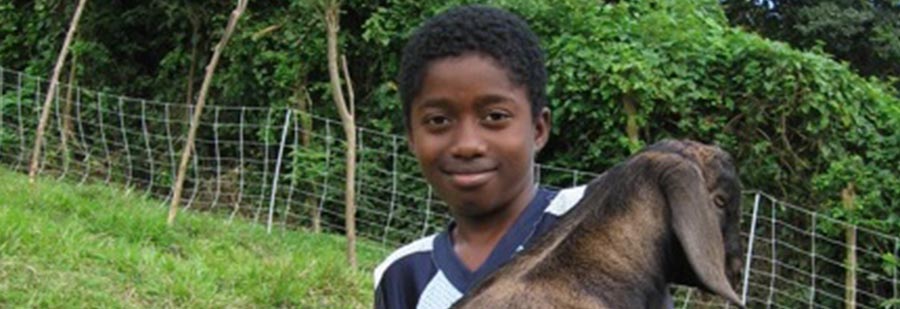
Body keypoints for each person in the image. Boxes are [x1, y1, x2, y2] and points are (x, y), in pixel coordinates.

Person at [373, 5, 673, 308]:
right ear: (412, 136)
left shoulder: (597, 226)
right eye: (438, 120)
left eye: (495, 116)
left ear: (539, 129)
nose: (467, 145)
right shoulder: (402, 275)